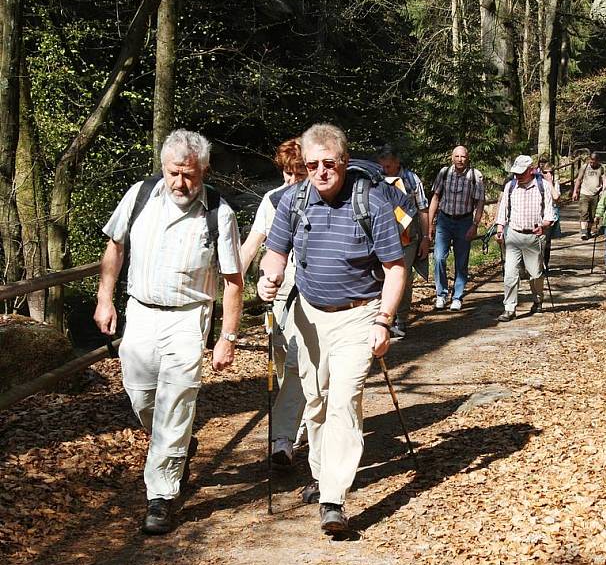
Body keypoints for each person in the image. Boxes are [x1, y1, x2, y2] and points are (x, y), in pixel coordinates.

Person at [257, 123, 405, 532]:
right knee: (316, 402)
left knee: (343, 401)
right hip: (309, 315)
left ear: (343, 161)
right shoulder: (293, 200)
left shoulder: (371, 203)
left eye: (329, 164)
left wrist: (384, 322)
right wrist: (268, 278)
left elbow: (395, 269)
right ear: (303, 166)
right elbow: (275, 253)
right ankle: (322, 477)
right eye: (312, 165)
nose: (321, 172)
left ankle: (334, 499)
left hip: (359, 315)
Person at [94, 129, 243, 534]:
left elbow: (232, 280)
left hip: (188, 317)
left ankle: (161, 495)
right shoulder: (139, 196)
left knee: (175, 402)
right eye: (174, 173)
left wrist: (226, 337)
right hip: (140, 311)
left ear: (204, 171)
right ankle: (177, 446)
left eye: (189, 175)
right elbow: (115, 247)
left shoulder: (219, 213)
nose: (181, 183)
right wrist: (105, 298)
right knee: (141, 395)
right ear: (162, 167)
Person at [240, 138, 307, 467]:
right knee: (282, 362)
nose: (290, 180)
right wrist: (231, 282)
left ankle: (283, 439)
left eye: (296, 173)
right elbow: (253, 242)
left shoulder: (321, 199)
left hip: (309, 291)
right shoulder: (273, 199)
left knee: (296, 360)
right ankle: (301, 418)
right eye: (286, 172)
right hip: (276, 291)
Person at [376, 144, 430, 338]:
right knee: (380, 278)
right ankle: (382, 319)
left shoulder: (411, 180)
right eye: (382, 166)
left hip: (408, 239)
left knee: (403, 279)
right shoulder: (376, 179)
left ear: (397, 163)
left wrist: (426, 237)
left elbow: (423, 209)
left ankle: (402, 320)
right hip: (382, 238)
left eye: (388, 166)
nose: (385, 170)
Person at [494, 155, 556, 322]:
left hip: (534, 237)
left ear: (531, 170)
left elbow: (550, 213)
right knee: (510, 274)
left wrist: (543, 225)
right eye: (515, 172)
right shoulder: (510, 186)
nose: (517, 176)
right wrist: (500, 228)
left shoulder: (542, 186)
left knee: (535, 274)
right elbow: (503, 210)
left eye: (521, 172)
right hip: (513, 235)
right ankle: (509, 308)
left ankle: (538, 300)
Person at [428, 146, 485, 311]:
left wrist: (475, 225)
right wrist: (430, 224)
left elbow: (480, 202)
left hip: (464, 221)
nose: (460, 159)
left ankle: (457, 296)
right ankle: (441, 294)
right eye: (457, 156)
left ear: (468, 158)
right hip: (444, 221)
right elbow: (435, 198)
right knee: (438, 258)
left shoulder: (475, 176)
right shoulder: (444, 173)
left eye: (463, 157)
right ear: (452, 157)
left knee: (461, 261)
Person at [571, 152, 606, 240]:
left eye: (594, 162)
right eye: (591, 161)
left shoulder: (602, 168)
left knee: (592, 215)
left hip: (595, 194)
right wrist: (575, 192)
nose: (592, 163)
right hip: (584, 193)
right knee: (584, 212)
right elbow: (579, 179)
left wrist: (603, 190)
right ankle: (583, 232)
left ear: (597, 161)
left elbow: (605, 180)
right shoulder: (584, 167)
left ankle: (588, 230)